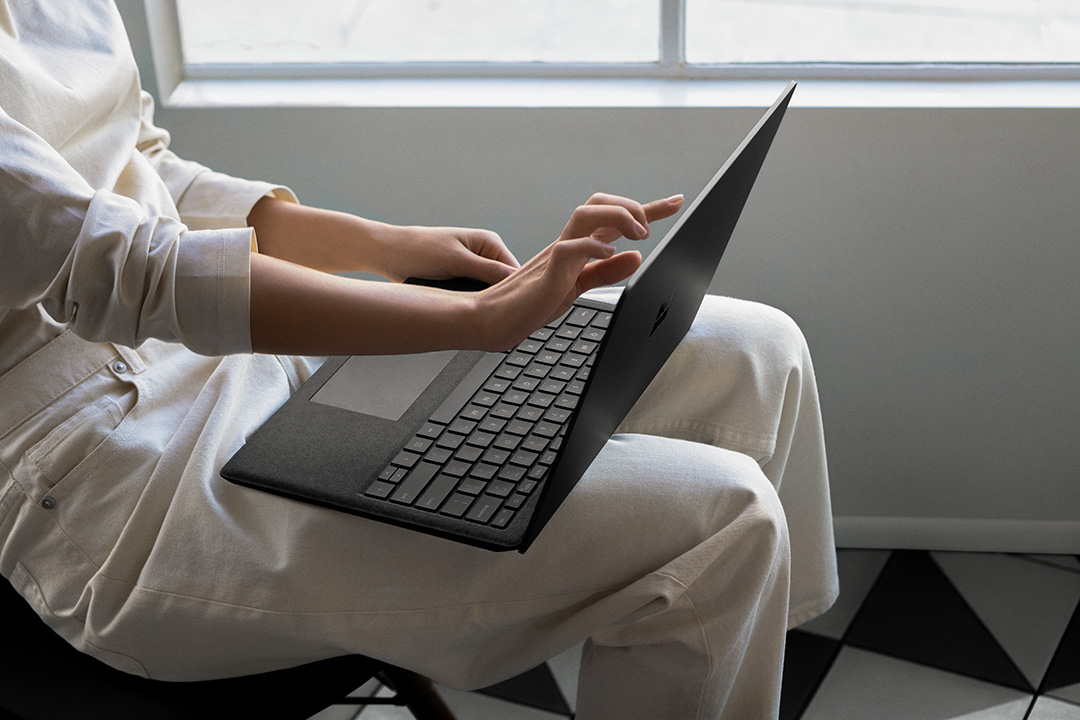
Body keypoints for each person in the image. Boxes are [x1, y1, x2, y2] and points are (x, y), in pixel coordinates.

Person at [0, 2, 838, 718]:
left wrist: (392, 245)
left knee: (761, 353)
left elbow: (143, 169)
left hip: (244, 358)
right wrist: (472, 318)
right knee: (720, 526)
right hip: (100, 473)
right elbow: (128, 270)